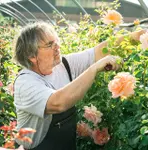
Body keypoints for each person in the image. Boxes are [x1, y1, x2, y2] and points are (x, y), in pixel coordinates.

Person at [13, 21, 145, 150]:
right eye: (49, 44)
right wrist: (93, 69)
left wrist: (136, 36)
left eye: (56, 41)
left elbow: (99, 51)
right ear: (31, 55)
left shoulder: (64, 65)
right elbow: (58, 102)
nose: (57, 46)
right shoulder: (26, 82)